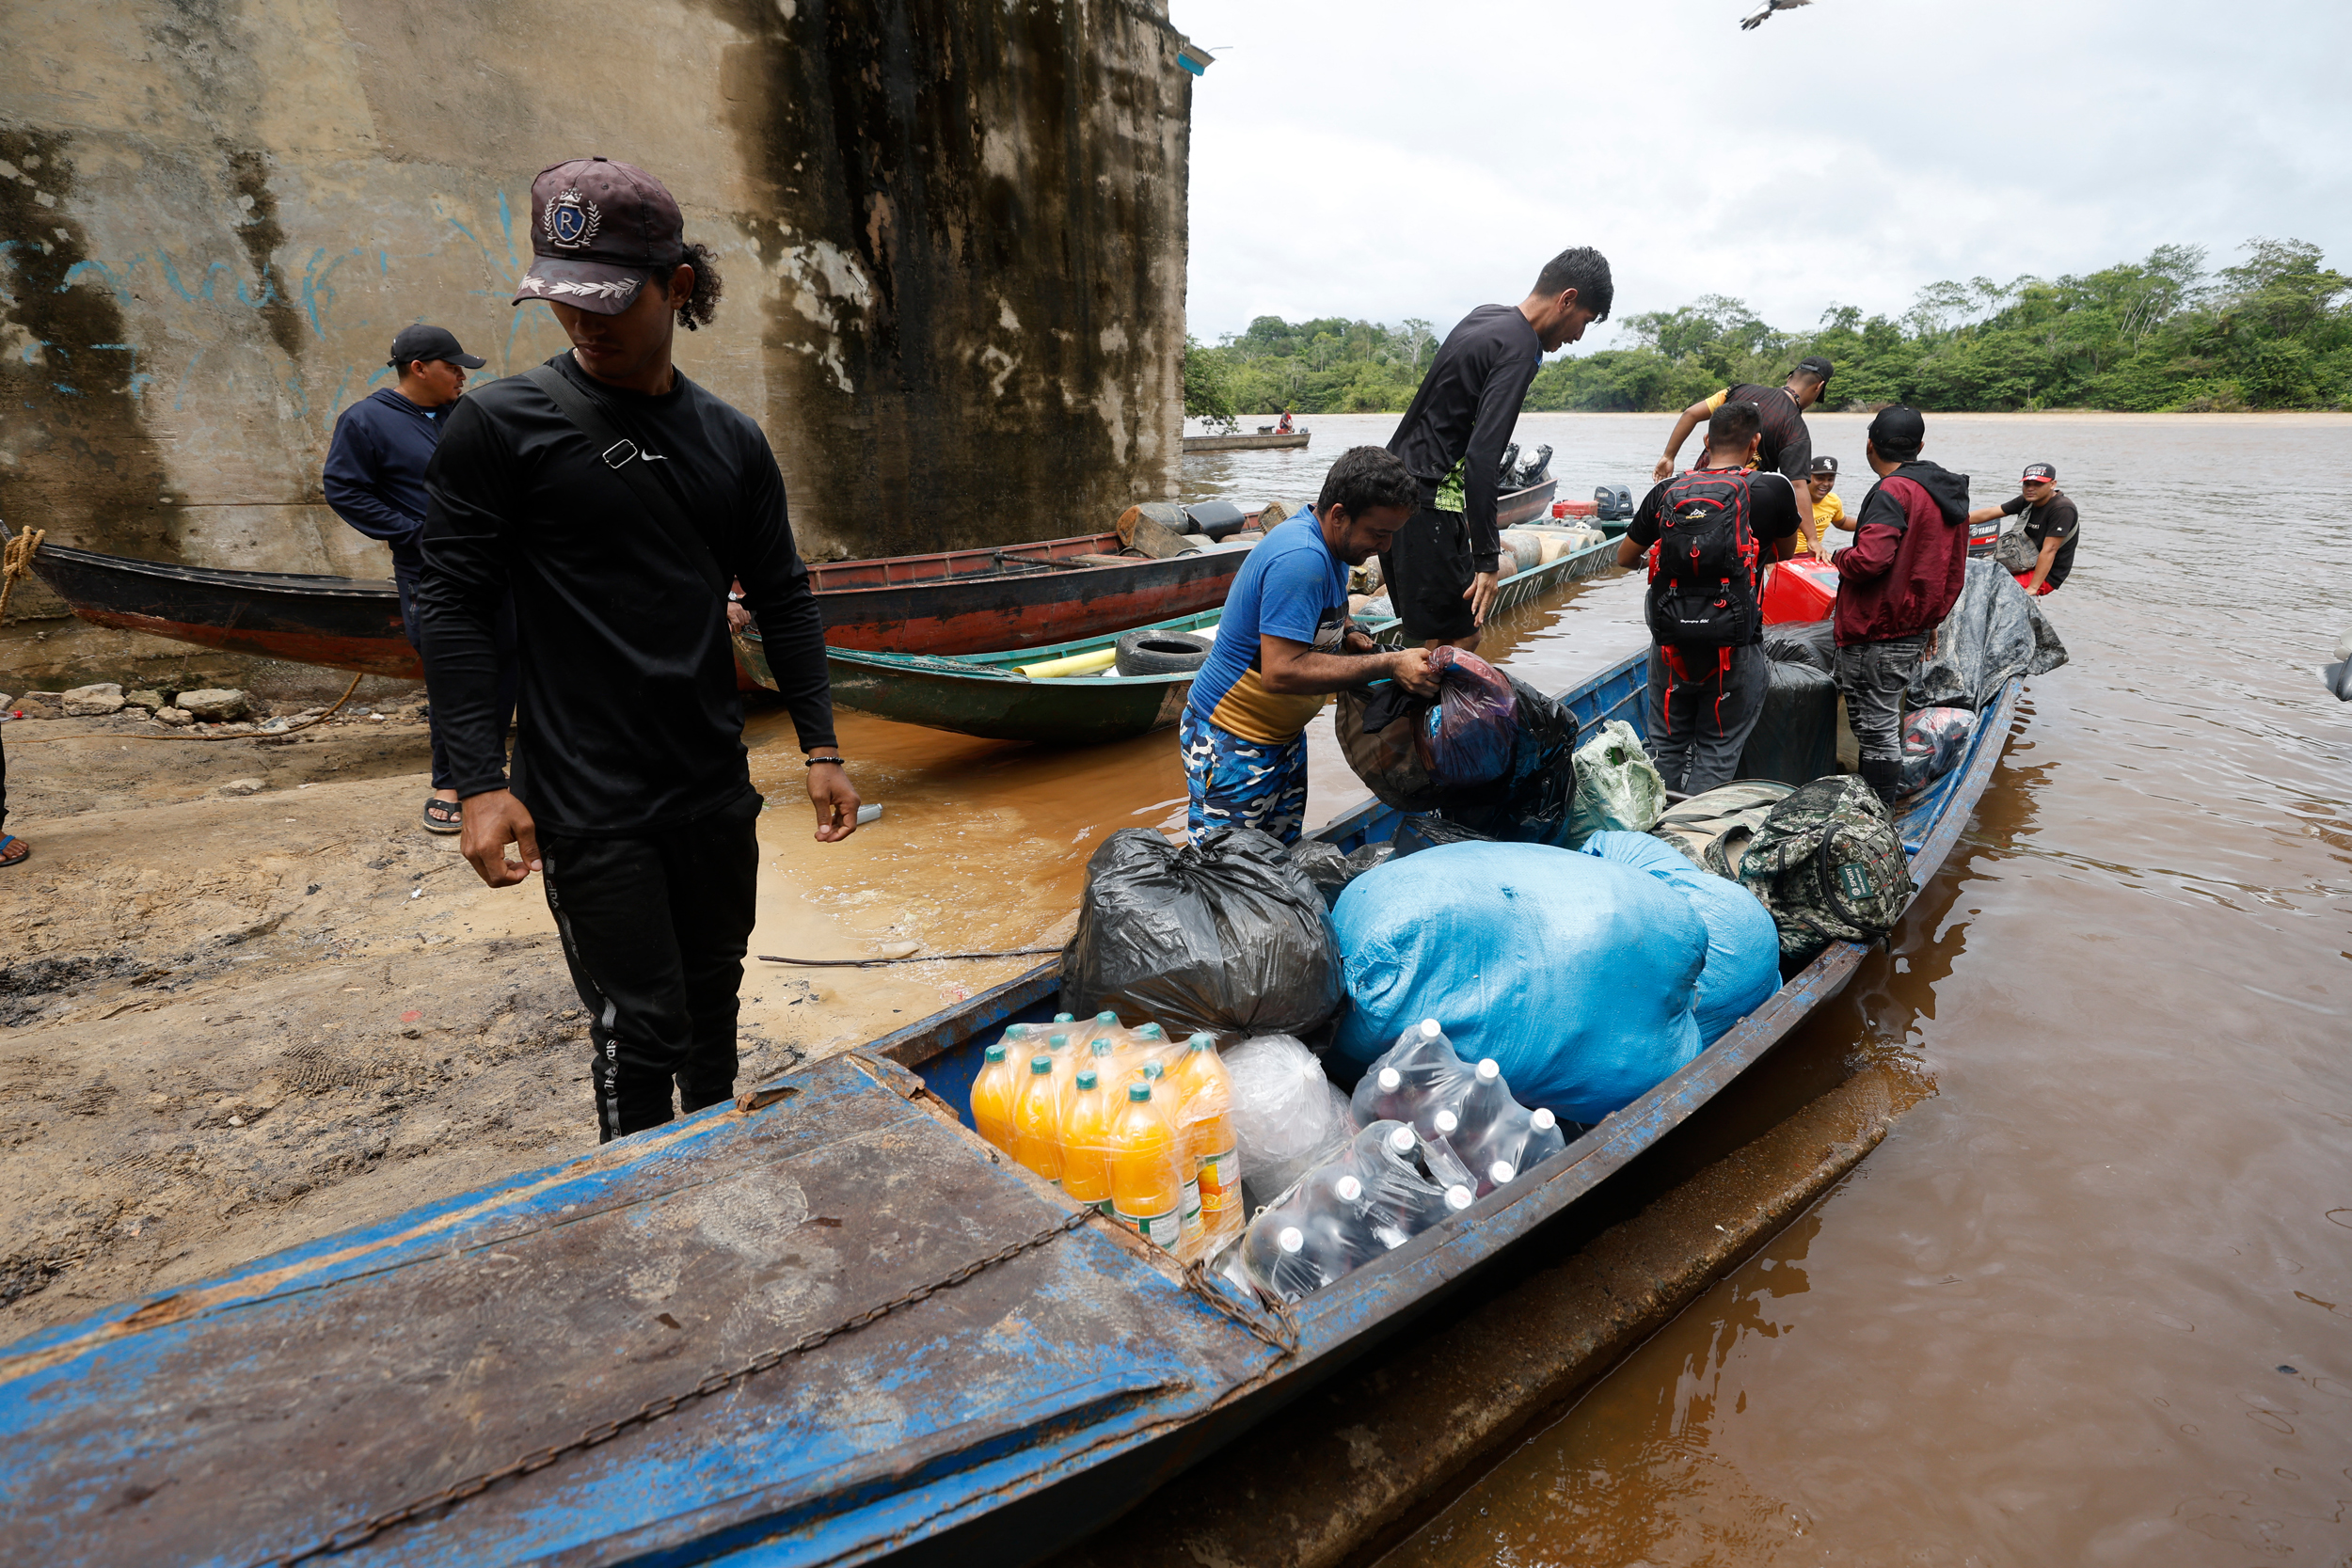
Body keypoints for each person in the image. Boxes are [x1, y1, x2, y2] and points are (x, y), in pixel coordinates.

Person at [417, 155, 860, 1143]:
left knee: (715, 998)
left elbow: (783, 594)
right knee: (639, 1021)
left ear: (680, 286)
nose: (584, 323)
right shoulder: (500, 424)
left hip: (709, 778)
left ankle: (713, 1160)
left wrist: (821, 748)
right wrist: (478, 779)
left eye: (610, 300)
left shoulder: (730, 440)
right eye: (564, 302)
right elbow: (451, 604)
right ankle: (635, 1197)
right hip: (585, 793)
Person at [1182, 446, 1439, 846]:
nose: (1386, 547)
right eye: (1379, 533)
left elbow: (1323, 609)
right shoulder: (1301, 559)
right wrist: (1388, 665)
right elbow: (1281, 671)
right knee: (1226, 877)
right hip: (1233, 741)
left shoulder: (1331, 545)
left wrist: (1349, 630)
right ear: (1339, 514)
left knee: (1278, 860)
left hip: (1280, 738)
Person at [324, 324, 517, 834]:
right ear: (419, 368)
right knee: (455, 679)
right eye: (453, 367)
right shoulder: (366, 421)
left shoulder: (469, 413)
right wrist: (414, 533)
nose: (461, 375)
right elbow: (345, 489)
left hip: (498, 567)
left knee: (507, 668)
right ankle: (450, 782)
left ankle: (490, 777)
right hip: (431, 574)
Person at [1385, 247, 1614, 651]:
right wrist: (1487, 559)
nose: (1578, 336)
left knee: (1428, 642)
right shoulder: (1522, 348)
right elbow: (1482, 455)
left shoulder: (1487, 315)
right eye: (1585, 321)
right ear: (1567, 299)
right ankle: (1419, 716)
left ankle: (1417, 713)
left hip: (1400, 484)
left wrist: (1478, 531)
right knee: (1457, 638)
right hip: (1428, 498)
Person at [1614, 399, 1803, 794]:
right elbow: (1787, 554)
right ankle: (1690, 839)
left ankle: (1652, 827)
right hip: (1734, 646)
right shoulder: (1773, 488)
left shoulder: (1667, 491)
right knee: (1718, 750)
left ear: (1705, 439)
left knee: (1665, 746)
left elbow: (1623, 558)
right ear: (1755, 444)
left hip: (1669, 648)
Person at [1829, 406, 1973, 803]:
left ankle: (1877, 815)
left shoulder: (1893, 490)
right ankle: (1880, 806)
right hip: (1912, 626)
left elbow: (1870, 560)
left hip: (1878, 627)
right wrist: (1931, 623)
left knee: (1874, 729)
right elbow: (1949, 568)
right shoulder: (1948, 493)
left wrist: (1840, 557)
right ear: (1920, 446)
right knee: (1882, 720)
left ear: (1870, 444)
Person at [1651, 356, 1834, 493]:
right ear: (1819, 387)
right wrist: (1812, 539)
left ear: (1790, 377)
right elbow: (1797, 487)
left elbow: (1690, 414)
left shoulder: (1738, 390)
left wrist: (1668, 456)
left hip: (1699, 490)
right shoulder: (1795, 426)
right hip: (1742, 500)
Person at [1964, 462, 2078, 594]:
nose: (2031, 488)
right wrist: (1957, 517)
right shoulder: (2027, 500)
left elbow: (2050, 550)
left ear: (2052, 484)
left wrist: (2033, 588)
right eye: (2027, 484)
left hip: (2045, 575)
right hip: (2021, 564)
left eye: (2038, 484)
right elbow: (1990, 513)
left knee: (1992, 591)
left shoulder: (2062, 508)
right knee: (1972, 579)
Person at [1799, 453, 1847, 556]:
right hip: (1788, 557)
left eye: (1830, 479)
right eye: (1820, 478)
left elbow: (1842, 522)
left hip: (1815, 554)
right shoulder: (1793, 500)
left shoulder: (1833, 500)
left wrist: (1868, 523)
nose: (1826, 484)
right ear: (1807, 476)